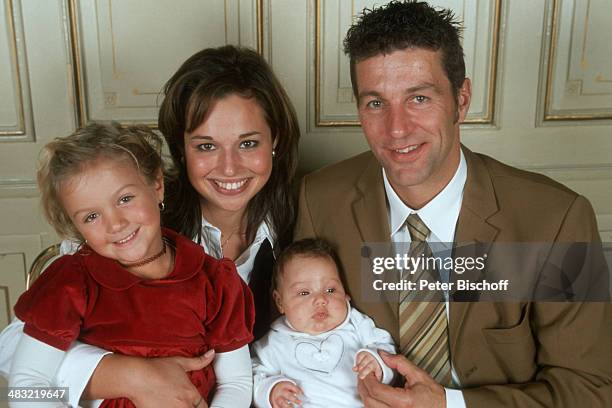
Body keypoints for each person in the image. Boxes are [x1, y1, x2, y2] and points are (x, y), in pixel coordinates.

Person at [295, 1, 612, 407]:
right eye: (376, 103)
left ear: (461, 100)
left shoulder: (557, 219)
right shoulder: (319, 200)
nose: (397, 128)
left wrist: (449, 405)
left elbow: (590, 391)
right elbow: (295, 340)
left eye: (419, 98)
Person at [0, 45, 300, 408]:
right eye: (206, 146)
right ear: (180, 151)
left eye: (248, 143)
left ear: (275, 142)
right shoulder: (127, 229)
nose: (230, 167)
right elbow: (12, 351)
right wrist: (126, 375)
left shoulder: (303, 214)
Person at [8, 123, 254, 407]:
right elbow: (25, 388)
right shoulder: (70, 282)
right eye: (91, 217)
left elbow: (236, 382)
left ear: (157, 186)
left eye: (125, 199)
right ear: (75, 226)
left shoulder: (214, 280)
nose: (116, 224)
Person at [251, 239, 395, 408]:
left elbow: (387, 349)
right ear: (280, 302)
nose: (320, 299)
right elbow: (253, 376)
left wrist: (377, 360)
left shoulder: (356, 324)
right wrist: (271, 390)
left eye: (330, 290)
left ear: (346, 294)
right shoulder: (273, 343)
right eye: (304, 292)